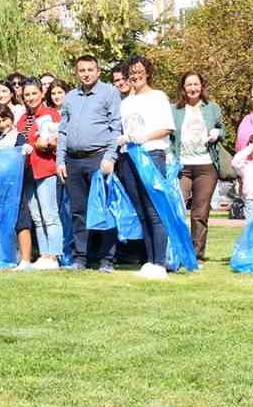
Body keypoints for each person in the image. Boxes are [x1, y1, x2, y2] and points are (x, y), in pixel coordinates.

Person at [56, 54, 123, 273]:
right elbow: (63, 131)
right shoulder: (70, 97)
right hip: (73, 161)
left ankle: (107, 260)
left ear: (98, 71)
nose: (86, 74)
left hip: (99, 158)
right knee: (78, 212)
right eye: (82, 70)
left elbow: (116, 127)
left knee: (103, 210)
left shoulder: (109, 93)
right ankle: (81, 258)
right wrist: (60, 160)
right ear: (77, 72)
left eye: (90, 70)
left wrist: (110, 157)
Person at [115, 55, 175, 279]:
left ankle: (160, 261)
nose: (135, 75)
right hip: (129, 156)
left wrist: (144, 137)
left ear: (147, 72)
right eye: (131, 71)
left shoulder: (158, 97)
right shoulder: (126, 102)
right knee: (140, 211)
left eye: (139, 70)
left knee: (154, 209)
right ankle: (149, 260)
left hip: (151, 154)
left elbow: (167, 128)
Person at [171, 72, 224, 261]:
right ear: (183, 87)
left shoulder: (212, 108)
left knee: (200, 213)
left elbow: (222, 129)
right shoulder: (174, 109)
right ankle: (176, 252)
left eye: (196, 84)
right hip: (182, 166)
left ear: (201, 86)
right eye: (188, 85)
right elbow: (170, 136)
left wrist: (218, 132)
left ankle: (196, 255)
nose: (193, 88)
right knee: (177, 208)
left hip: (206, 166)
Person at [18, 78, 61, 269]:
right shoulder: (22, 119)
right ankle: (44, 254)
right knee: (36, 215)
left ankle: (54, 256)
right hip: (27, 172)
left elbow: (60, 141)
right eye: (27, 94)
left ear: (41, 94)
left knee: (49, 213)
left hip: (45, 169)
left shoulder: (51, 115)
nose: (30, 97)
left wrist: (46, 144)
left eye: (34, 93)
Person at [0, 105, 33, 269]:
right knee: (1, 222)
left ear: (11, 118)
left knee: (21, 221)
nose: (2, 124)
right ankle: (4, 257)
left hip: (15, 187)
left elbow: (24, 163)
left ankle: (26, 260)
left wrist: (25, 151)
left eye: (4, 119)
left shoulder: (19, 137)